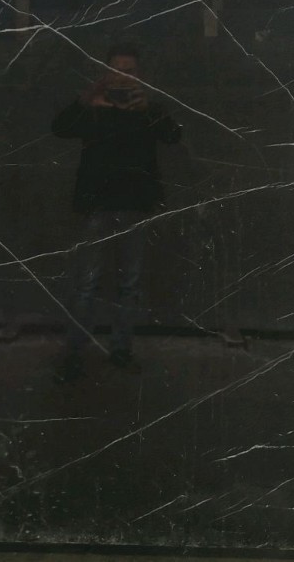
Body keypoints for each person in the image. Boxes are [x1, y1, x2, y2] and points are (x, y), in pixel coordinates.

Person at [51, 43, 181, 381]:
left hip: (135, 204)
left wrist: (149, 109)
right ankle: (75, 353)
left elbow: (173, 136)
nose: (122, 77)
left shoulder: (148, 108)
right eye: (116, 70)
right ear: (104, 73)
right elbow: (59, 128)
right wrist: (87, 100)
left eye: (130, 71)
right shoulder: (93, 107)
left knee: (129, 282)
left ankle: (121, 350)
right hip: (97, 204)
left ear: (140, 76)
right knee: (87, 282)